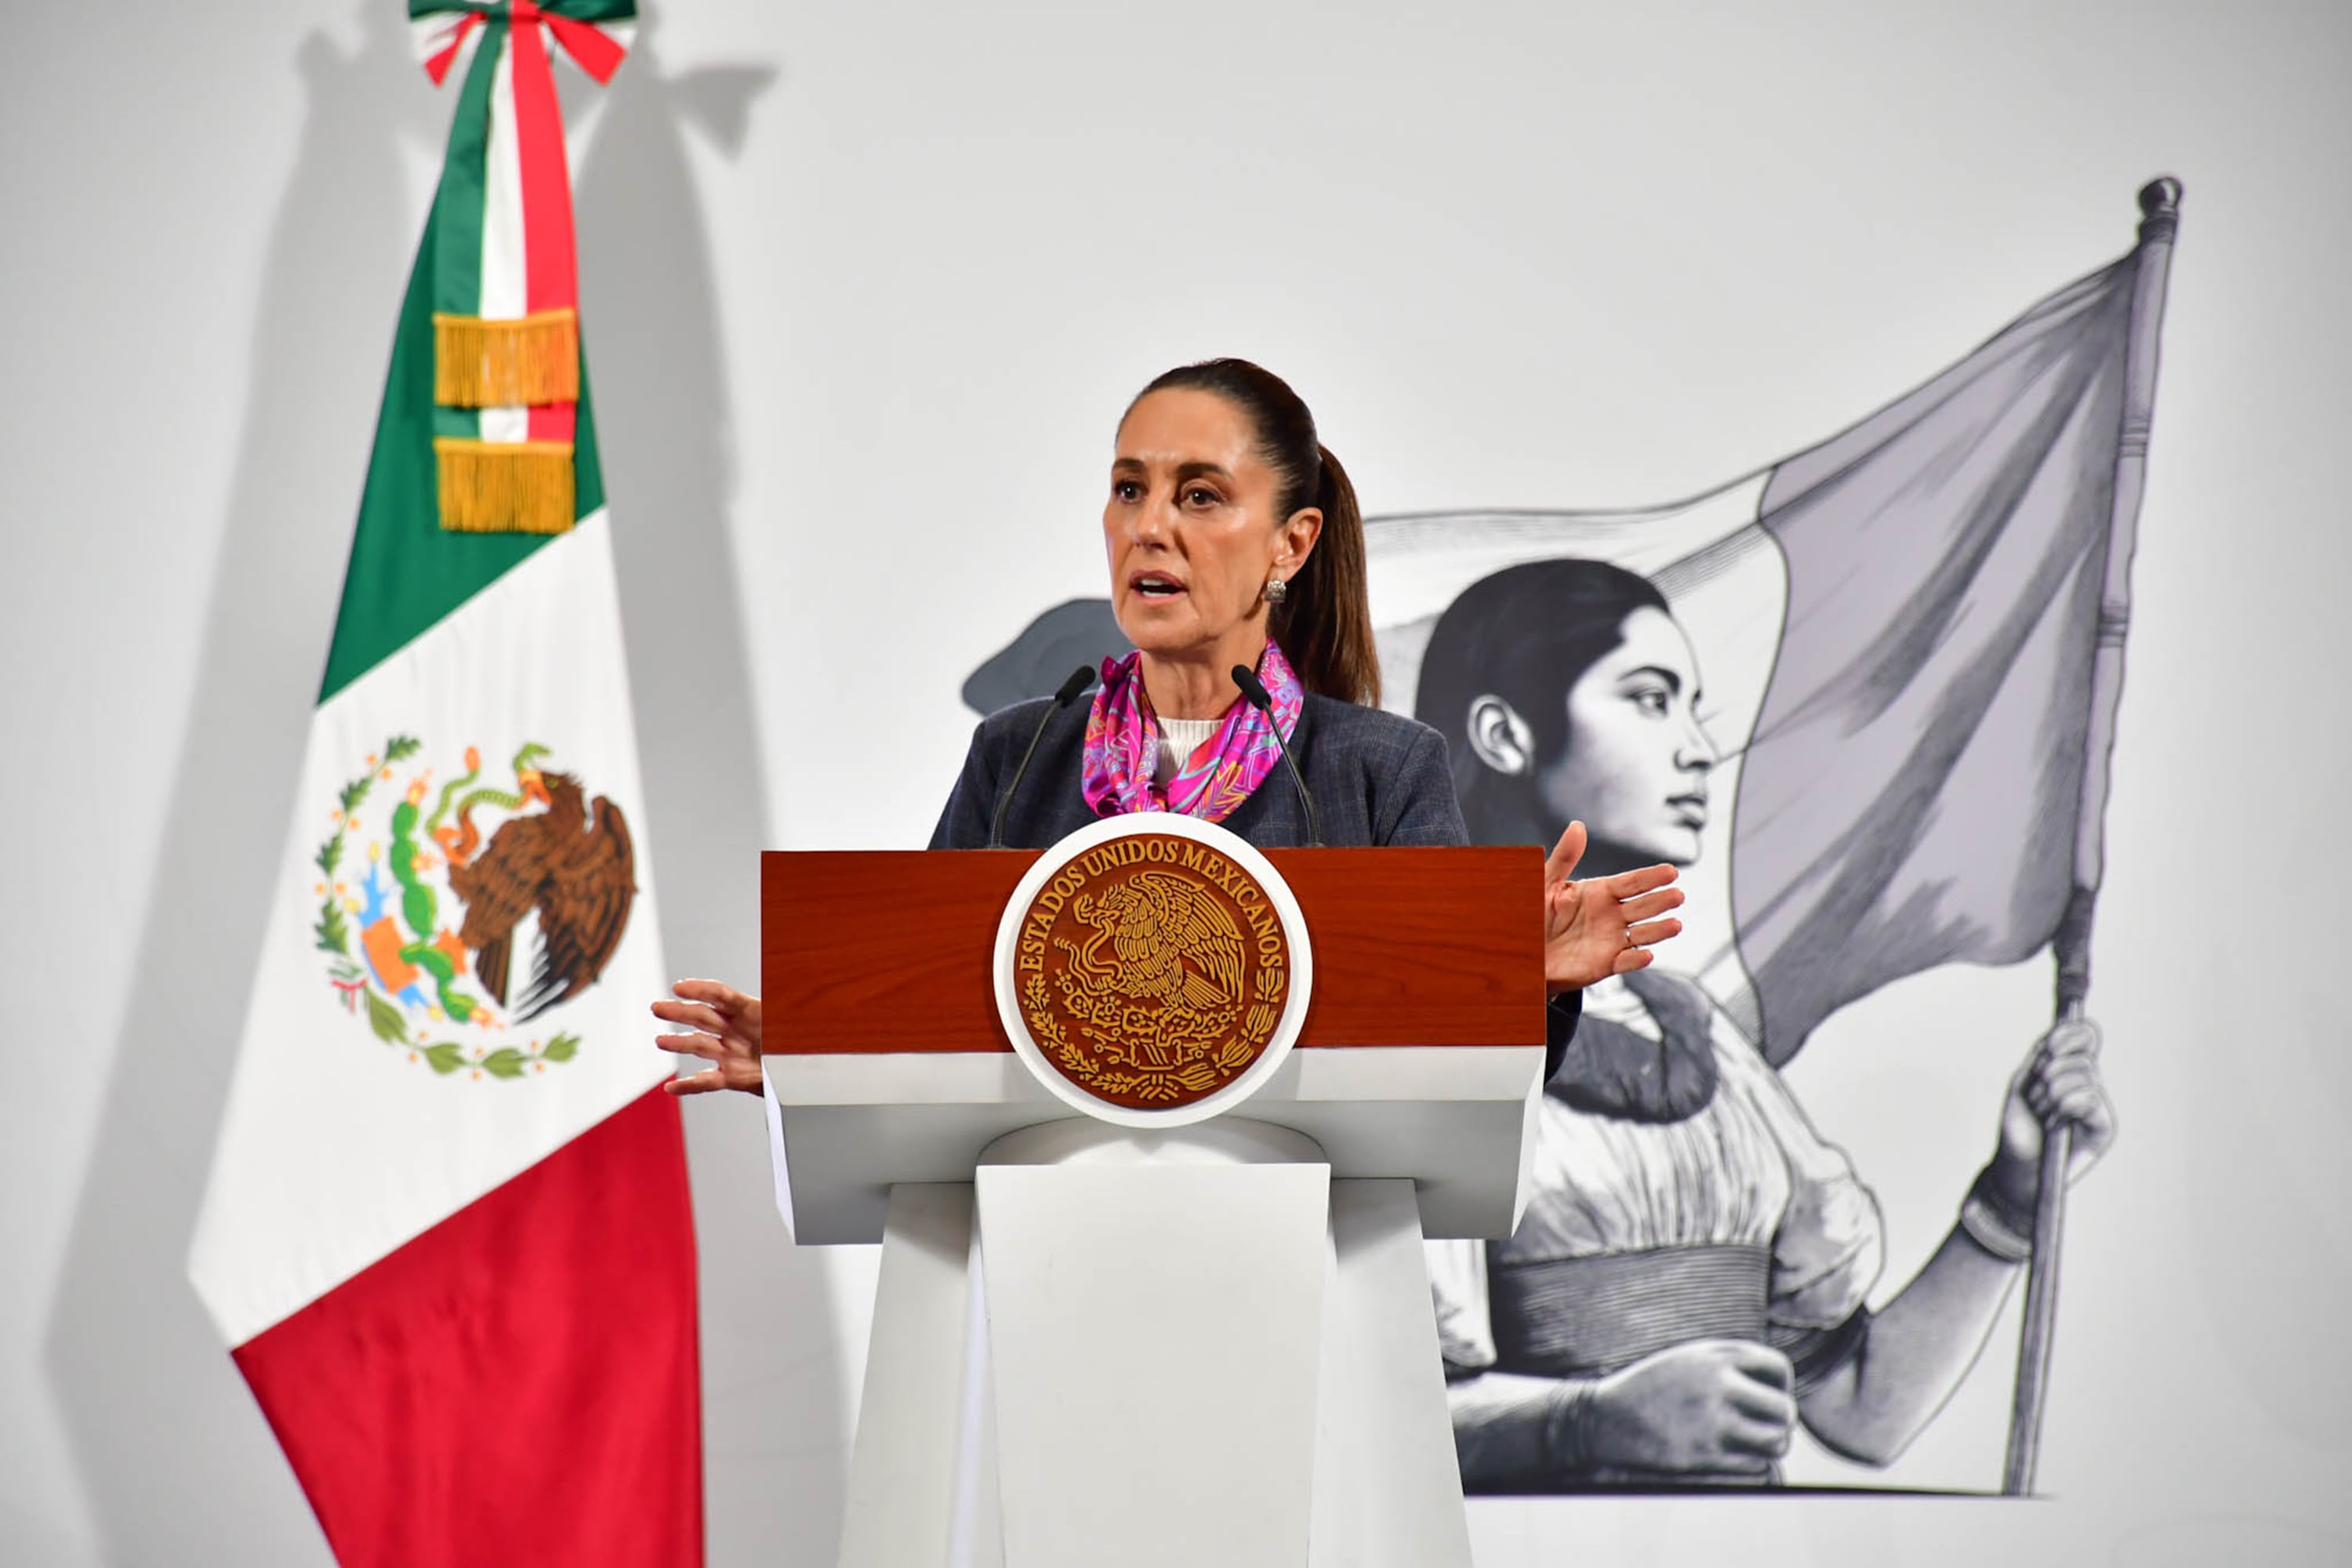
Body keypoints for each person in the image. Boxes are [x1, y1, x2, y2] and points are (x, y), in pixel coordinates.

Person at [651, 361, 1684, 1092]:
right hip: (1042, 1247)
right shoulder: (1021, 757)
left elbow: (1444, 1070)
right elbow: (935, 1011)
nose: (1150, 526)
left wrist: (1525, 983)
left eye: (1199, 495)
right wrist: (808, 1050)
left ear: (1291, 542)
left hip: (1297, 1256)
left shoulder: (1375, 770)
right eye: (1128, 490)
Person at [1415, 558, 2117, 1490]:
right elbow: (1362, 1410)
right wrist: (1584, 1423)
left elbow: (1862, 1410)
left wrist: (2013, 1196)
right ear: (1504, 733)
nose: (1700, 747)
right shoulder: (1418, 1023)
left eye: (1693, 705)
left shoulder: (1694, 1032)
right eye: (1651, 698)